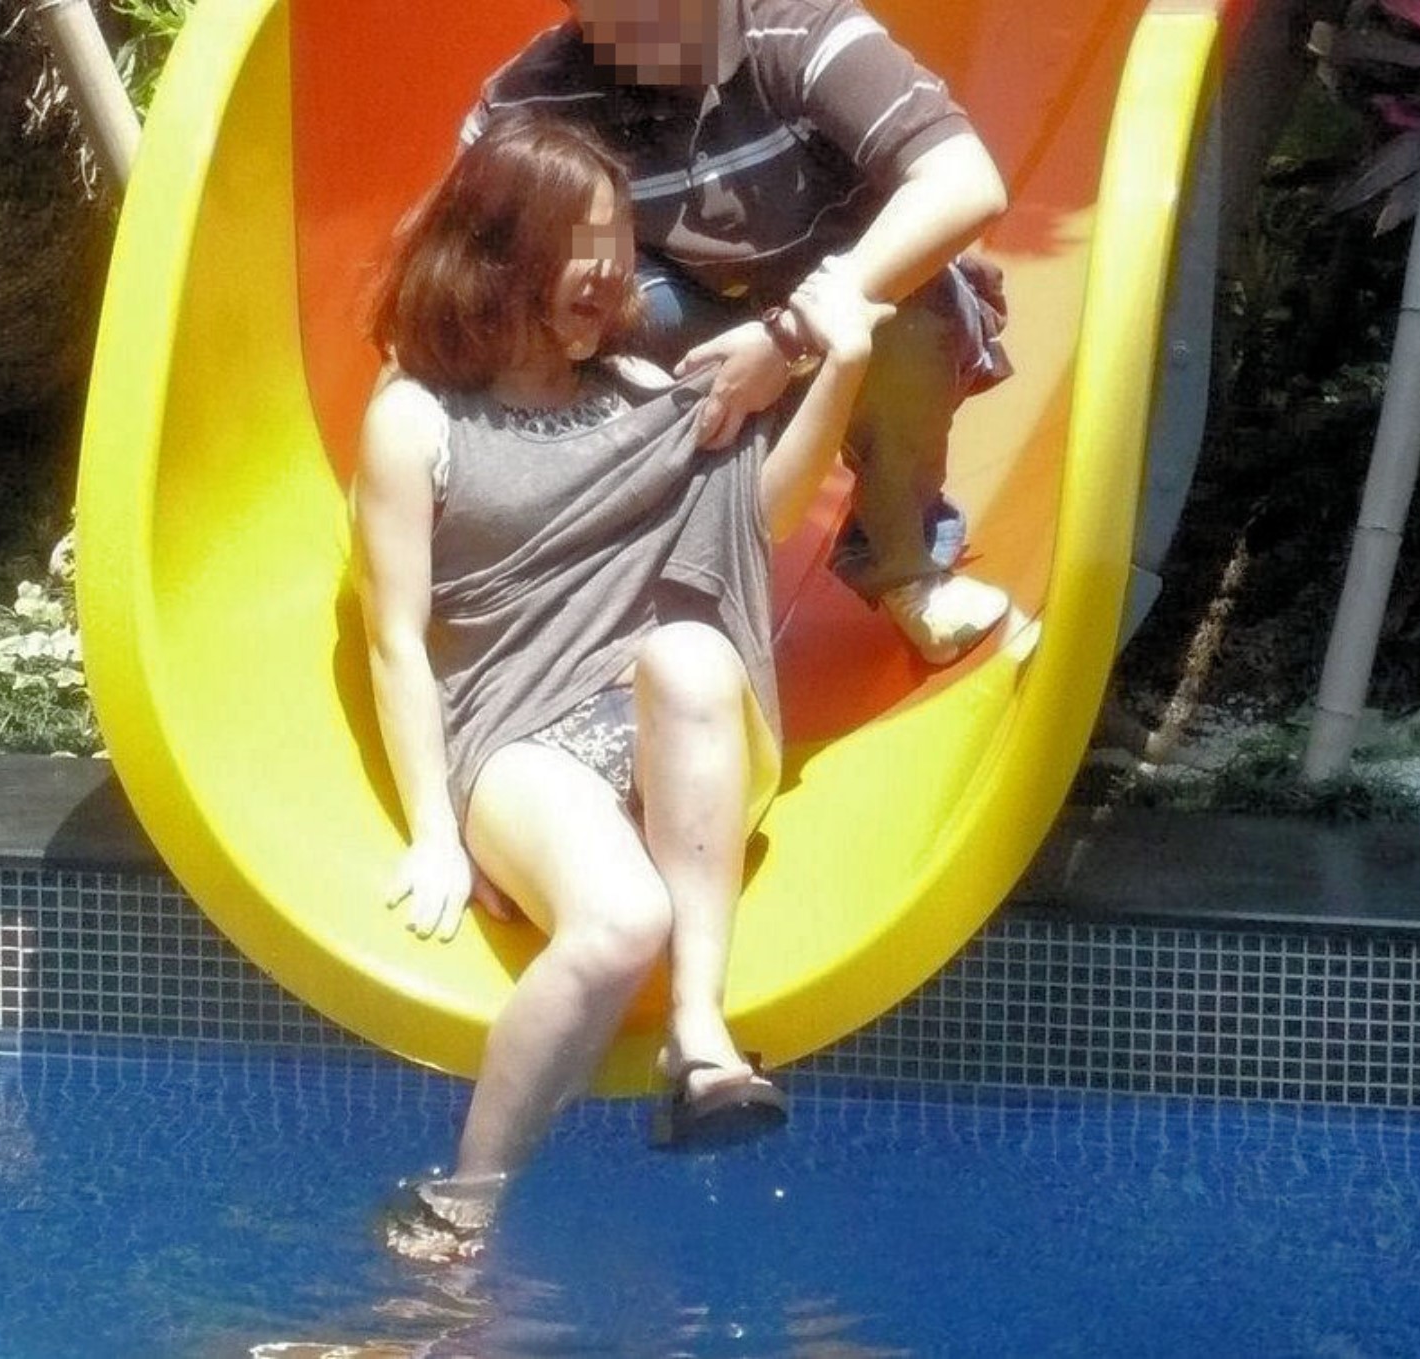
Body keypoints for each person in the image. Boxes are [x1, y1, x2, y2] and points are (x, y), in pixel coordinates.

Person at [355, 110, 892, 1261]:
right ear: (500, 254)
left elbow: (753, 523)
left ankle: (698, 1036)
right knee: (620, 922)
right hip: (522, 734)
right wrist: (434, 834)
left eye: (617, 245)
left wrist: (840, 369)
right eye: (583, 249)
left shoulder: (640, 382)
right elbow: (395, 640)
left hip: (676, 733)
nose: (612, 276)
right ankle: (461, 1208)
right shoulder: (416, 419)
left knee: (688, 652)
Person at [462, 0, 1014, 666]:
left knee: (910, 312)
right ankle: (638, 579)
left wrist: (788, 339)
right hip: (691, 330)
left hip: (843, 297)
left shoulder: (792, 29)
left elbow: (965, 181)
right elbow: (455, 277)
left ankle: (905, 557)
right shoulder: (536, 98)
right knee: (576, 306)